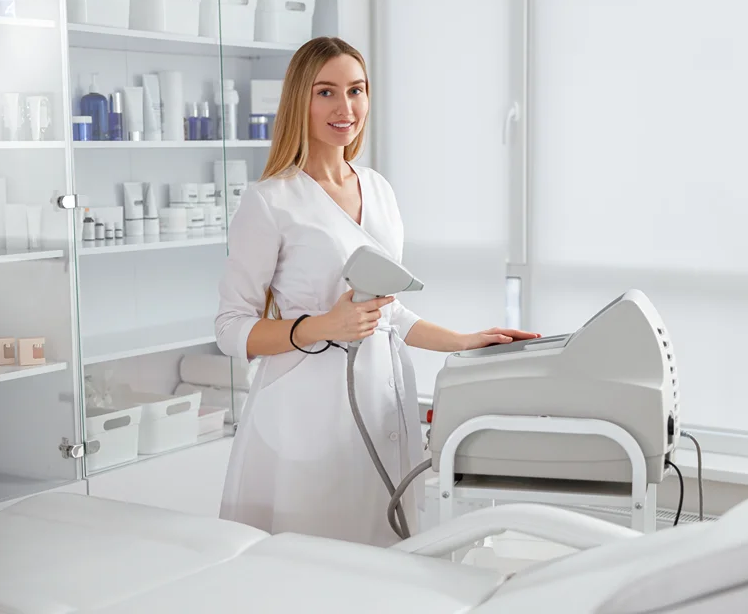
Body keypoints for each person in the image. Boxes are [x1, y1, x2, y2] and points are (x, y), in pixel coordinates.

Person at [214, 37, 539, 547]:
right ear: (300, 99)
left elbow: (387, 309)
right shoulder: (270, 200)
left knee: (382, 553)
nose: (345, 108)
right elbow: (231, 329)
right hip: (305, 410)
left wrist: (463, 340)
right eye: (326, 92)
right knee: (313, 559)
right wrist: (323, 327)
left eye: (356, 90)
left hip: (383, 399)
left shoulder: (378, 188)